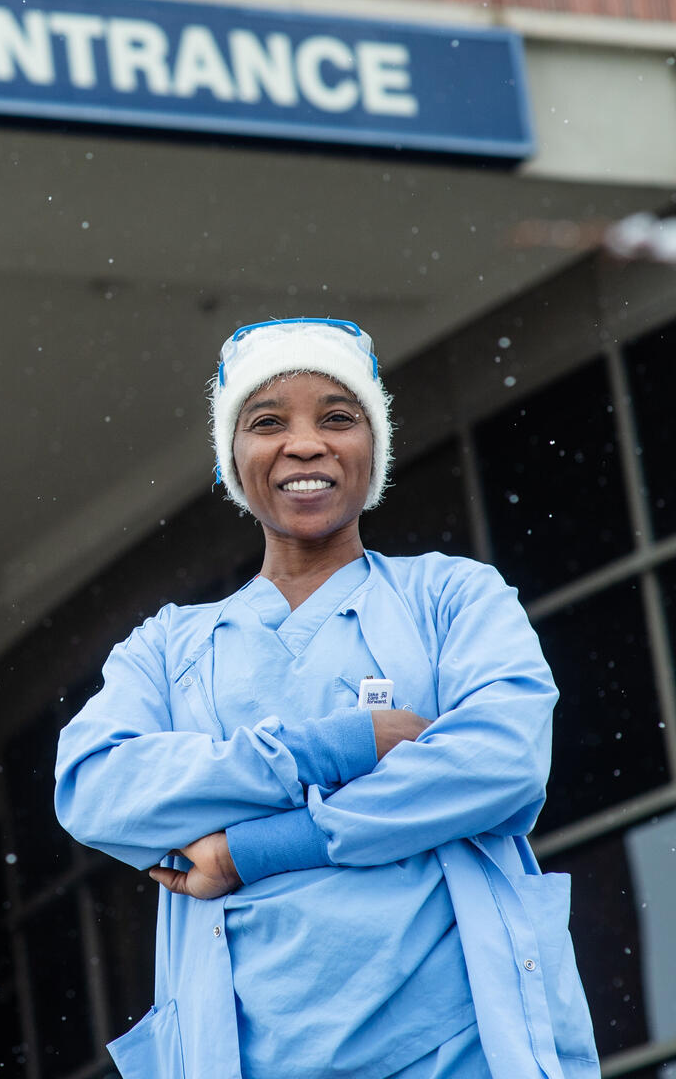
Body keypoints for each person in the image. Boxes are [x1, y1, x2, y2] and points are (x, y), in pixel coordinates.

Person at [53, 318, 599, 1079]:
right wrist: (335, 747)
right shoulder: (170, 647)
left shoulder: (450, 596)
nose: (304, 443)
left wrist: (258, 848)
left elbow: (501, 760)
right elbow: (94, 787)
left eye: (337, 417)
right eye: (266, 421)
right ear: (231, 459)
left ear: (371, 449)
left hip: (460, 1048)